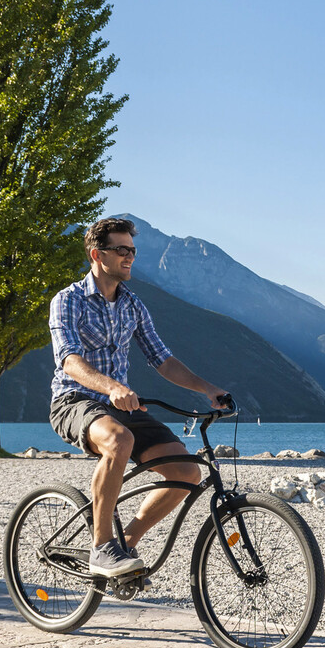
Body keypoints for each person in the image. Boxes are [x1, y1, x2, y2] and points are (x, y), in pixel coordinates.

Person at [48, 217, 229, 576]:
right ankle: (102, 547)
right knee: (119, 440)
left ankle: (125, 543)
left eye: (132, 250)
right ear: (97, 254)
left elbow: (162, 359)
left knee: (186, 472)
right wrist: (112, 387)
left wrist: (208, 389)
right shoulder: (68, 300)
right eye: (121, 250)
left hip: (121, 405)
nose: (130, 257)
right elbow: (69, 360)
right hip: (74, 401)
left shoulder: (132, 304)